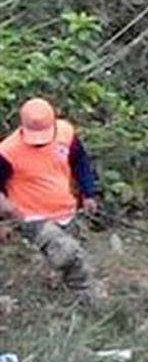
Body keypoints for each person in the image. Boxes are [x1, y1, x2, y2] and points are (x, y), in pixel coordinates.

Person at [0, 98, 99, 296]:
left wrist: (88, 193)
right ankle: (89, 292)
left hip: (66, 212)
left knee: (65, 262)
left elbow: (80, 162)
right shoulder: (7, 152)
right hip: (31, 217)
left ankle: (72, 298)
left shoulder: (66, 134)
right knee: (67, 251)